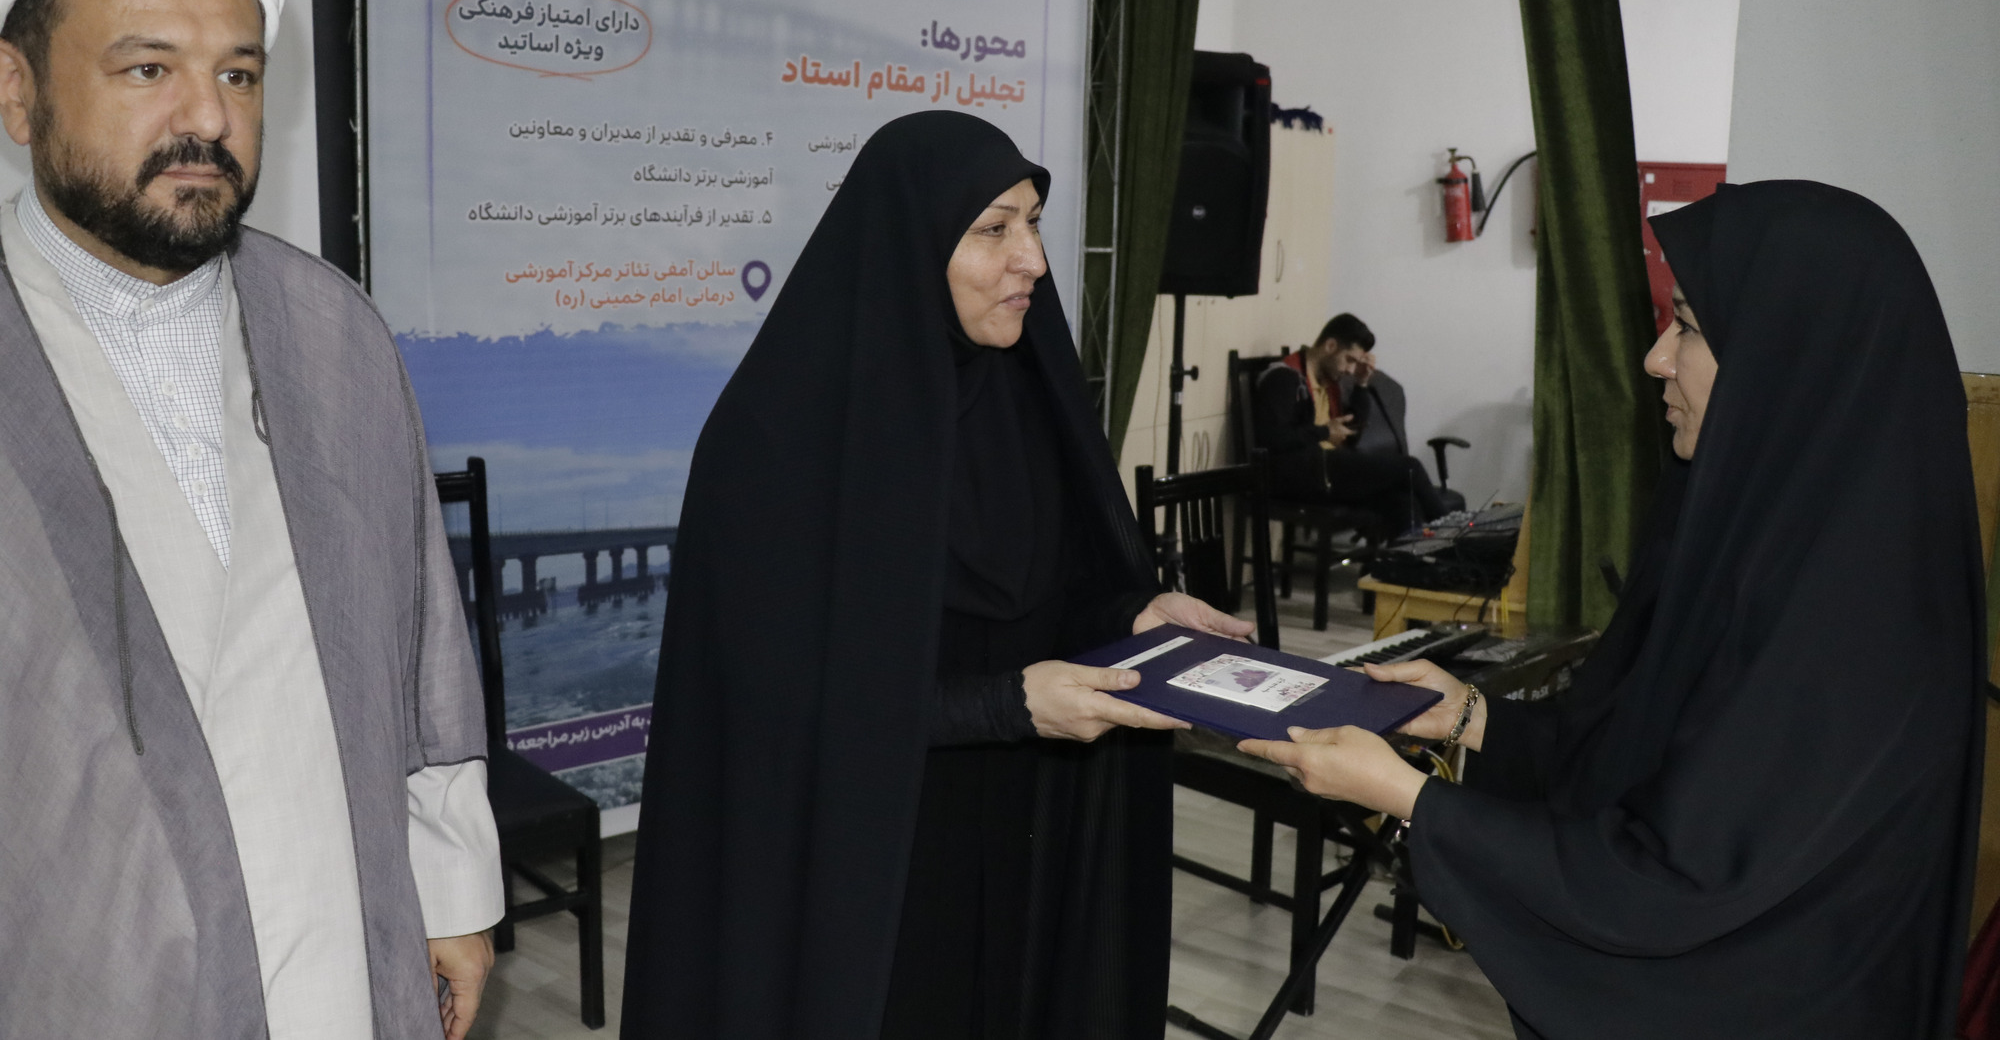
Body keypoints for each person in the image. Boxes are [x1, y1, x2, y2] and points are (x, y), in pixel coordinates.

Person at [1239, 180, 1984, 1039]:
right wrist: (1471, 716)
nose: (1656, 359)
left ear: (1789, 358)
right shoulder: (1772, 536)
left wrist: (1412, 798)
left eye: (1688, 328)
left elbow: (1672, 883)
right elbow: (1638, 752)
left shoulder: (1859, 619)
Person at [619, 111, 1252, 1040]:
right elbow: (775, 700)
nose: (1032, 260)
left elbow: (1046, 587)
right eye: (993, 229)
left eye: (1033, 223)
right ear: (910, 246)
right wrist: (1004, 704)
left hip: (1018, 822)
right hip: (861, 858)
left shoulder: (1021, 396)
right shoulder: (775, 437)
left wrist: (1135, 610)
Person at [0, 0, 502, 1039]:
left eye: (238, 74)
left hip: (340, 938)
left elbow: (420, 640)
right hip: (85, 979)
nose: (208, 119)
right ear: (17, 91)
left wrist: (451, 891)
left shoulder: (334, 328)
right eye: (148, 70)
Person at [1254, 312, 1446, 531]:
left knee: (1403, 501)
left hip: (1327, 469)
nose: (1350, 369)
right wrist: (1325, 432)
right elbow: (1274, 439)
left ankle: (1417, 553)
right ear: (1330, 346)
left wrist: (1361, 384)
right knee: (1410, 467)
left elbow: (1352, 435)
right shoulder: (1284, 378)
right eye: (1350, 360)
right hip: (1298, 477)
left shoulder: (1329, 383)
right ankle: (1458, 536)